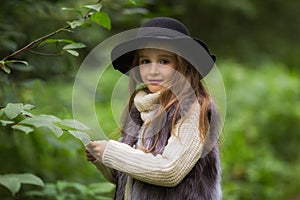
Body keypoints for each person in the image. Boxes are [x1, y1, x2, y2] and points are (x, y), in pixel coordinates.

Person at [86, 17, 222, 200]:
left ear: (183, 66)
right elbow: (131, 175)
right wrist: (103, 158)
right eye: (145, 61)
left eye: (164, 61)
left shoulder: (192, 108)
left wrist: (113, 152)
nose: (153, 71)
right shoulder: (141, 109)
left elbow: (169, 171)